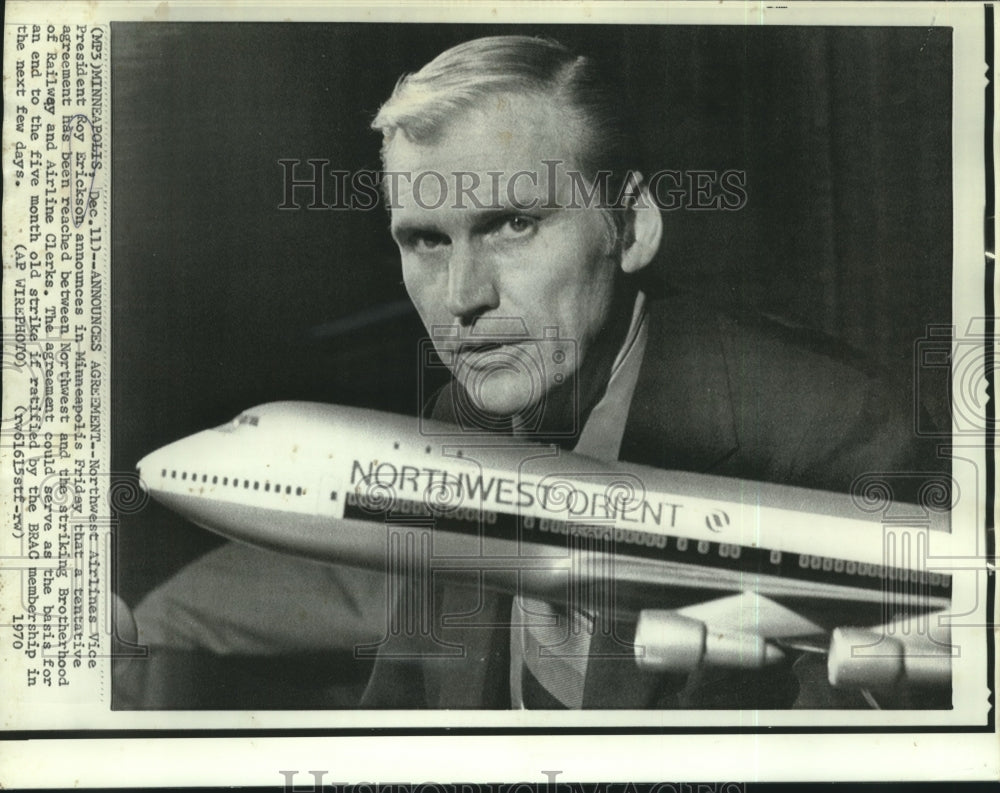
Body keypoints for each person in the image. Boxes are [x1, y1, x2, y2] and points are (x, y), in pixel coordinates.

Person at [125, 35, 941, 710]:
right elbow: (405, 715)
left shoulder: (830, 429)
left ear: (632, 226)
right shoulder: (454, 424)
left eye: (514, 223)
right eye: (426, 241)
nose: (463, 297)